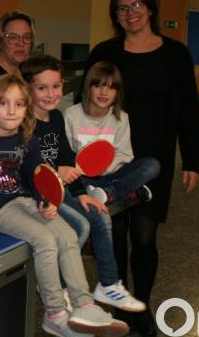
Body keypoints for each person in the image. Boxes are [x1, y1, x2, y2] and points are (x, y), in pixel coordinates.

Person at [0, 74, 129, 337]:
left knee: (67, 234)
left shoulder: (26, 140)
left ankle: (83, 305)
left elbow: (36, 179)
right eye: (3, 103)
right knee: (45, 239)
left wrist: (46, 202)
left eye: (19, 104)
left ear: (27, 108)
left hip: (24, 201)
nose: (12, 111)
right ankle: (55, 314)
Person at [76, 0, 199, 337]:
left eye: (136, 5)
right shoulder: (105, 52)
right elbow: (84, 102)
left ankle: (142, 305)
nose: (130, 13)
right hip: (108, 161)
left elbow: (188, 112)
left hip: (153, 158)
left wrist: (191, 160)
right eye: (121, 8)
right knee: (113, 235)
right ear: (115, 15)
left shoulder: (176, 54)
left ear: (150, 8)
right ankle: (119, 303)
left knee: (144, 237)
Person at [63, 60, 161, 313]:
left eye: (111, 88)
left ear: (117, 93)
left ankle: (112, 193)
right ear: (88, 88)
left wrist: (104, 169)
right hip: (82, 179)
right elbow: (65, 156)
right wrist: (84, 168)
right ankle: (131, 191)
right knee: (91, 189)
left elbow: (126, 155)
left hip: (111, 178)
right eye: (98, 86)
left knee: (151, 165)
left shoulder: (121, 118)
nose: (104, 93)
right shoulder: (71, 115)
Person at [18, 55, 90, 249]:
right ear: (27, 88)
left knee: (97, 218)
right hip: (32, 195)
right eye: (42, 88)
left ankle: (108, 279)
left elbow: (66, 157)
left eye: (56, 86)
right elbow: (23, 171)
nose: (51, 94)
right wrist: (58, 171)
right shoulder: (20, 123)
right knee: (80, 227)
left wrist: (81, 192)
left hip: (55, 190)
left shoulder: (57, 117)